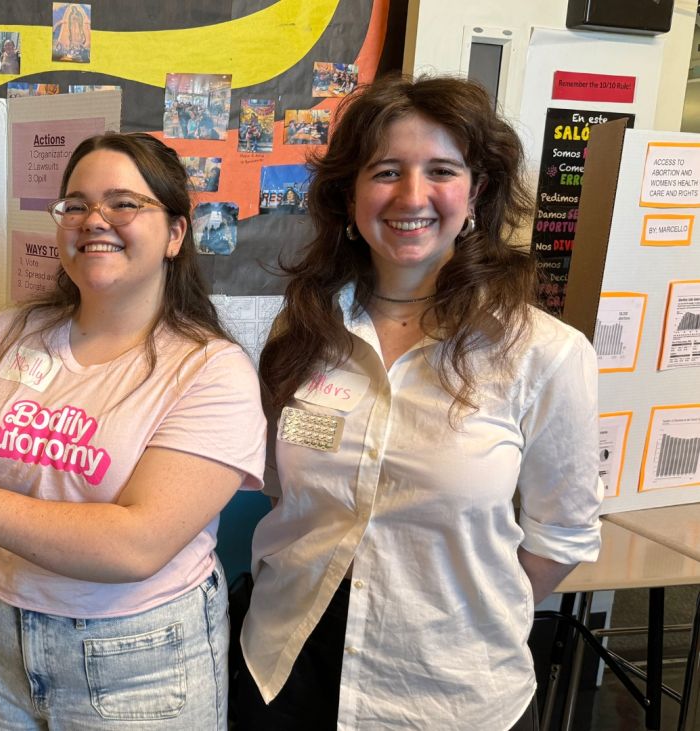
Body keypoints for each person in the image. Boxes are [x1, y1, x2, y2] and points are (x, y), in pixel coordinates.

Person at [240, 74, 602, 730]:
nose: (412, 195)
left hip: (448, 695)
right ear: (349, 194)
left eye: (441, 170)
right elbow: (283, 493)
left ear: (475, 193)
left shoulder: (545, 354)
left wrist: (460, 615)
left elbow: (562, 536)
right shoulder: (303, 332)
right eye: (385, 171)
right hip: (285, 668)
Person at [0, 132, 266, 729]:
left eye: (124, 203)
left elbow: (137, 544)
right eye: (75, 205)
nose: (94, 220)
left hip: (140, 660)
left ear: (176, 234)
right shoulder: (6, 334)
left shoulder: (211, 370)